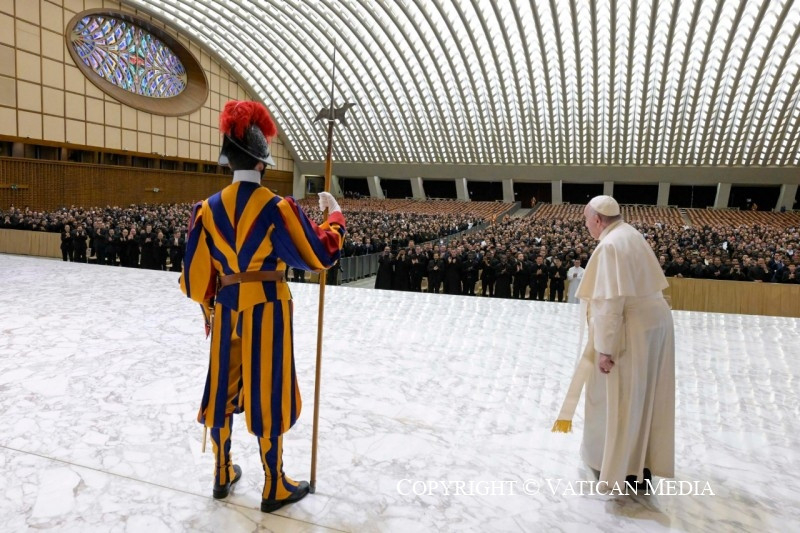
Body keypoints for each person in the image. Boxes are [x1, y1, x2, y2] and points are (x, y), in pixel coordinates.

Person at [179, 101, 346, 513]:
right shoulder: (276, 207)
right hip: (268, 309)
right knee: (268, 391)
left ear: (229, 160)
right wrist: (335, 217)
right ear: (262, 163)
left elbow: (195, 281)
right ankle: (274, 484)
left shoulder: (205, 210)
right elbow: (319, 254)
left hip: (226, 309)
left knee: (222, 390)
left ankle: (221, 474)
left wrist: (211, 308)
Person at [553, 195, 674, 493]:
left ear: (597, 220)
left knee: (618, 398)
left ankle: (619, 468)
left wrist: (605, 349)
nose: (586, 226)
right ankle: (639, 464)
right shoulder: (630, 233)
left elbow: (609, 302)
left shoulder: (609, 245)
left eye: (586, 220)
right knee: (642, 396)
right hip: (653, 326)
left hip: (630, 331)